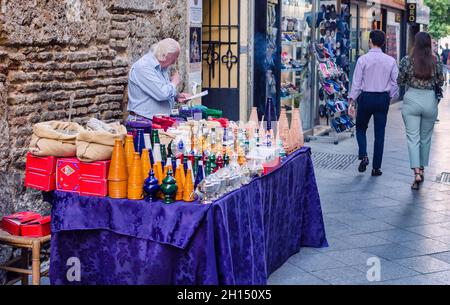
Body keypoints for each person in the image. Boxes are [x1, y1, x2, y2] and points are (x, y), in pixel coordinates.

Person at [348, 30, 399, 177]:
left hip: (366, 97)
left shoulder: (362, 60)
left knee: (360, 128)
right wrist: (390, 95)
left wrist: (351, 99)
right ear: (383, 43)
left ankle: (363, 155)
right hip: (382, 98)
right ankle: (376, 168)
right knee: (380, 134)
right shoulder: (390, 61)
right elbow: (395, 83)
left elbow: (356, 83)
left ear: (370, 41)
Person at [398, 32, 444, 190]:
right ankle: (422, 169)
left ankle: (416, 172)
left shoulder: (406, 60)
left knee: (413, 138)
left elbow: (400, 80)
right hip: (430, 100)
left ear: (415, 43)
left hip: (411, 99)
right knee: (425, 138)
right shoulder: (435, 59)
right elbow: (441, 80)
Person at [127, 38, 190, 126]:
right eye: (174, 58)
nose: (174, 62)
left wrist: (176, 96)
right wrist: (174, 82)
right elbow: (162, 94)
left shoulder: (162, 68)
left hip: (157, 121)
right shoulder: (144, 67)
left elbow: (158, 90)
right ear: (166, 55)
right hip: (142, 123)